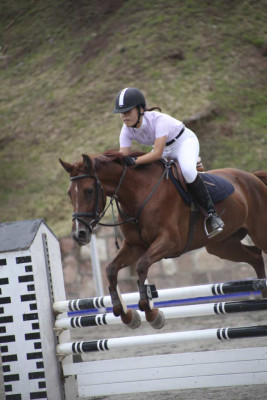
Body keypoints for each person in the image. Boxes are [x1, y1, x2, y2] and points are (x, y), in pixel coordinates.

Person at [113, 87, 224, 238]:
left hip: (183, 142)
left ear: (140, 109)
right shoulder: (126, 130)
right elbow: (123, 158)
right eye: (121, 113)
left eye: (127, 112)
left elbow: (156, 153)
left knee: (187, 171)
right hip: (164, 149)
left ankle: (212, 215)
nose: (124, 117)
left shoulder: (158, 120)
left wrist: (135, 161)